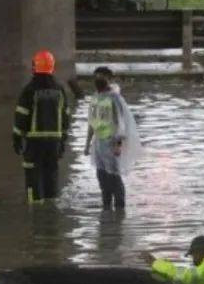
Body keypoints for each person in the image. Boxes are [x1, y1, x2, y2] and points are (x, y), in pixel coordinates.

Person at [13, 50, 71, 205]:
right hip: (54, 143)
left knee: (33, 177)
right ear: (52, 67)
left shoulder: (29, 90)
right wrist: (62, 141)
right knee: (51, 176)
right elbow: (66, 118)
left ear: (35, 67)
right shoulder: (60, 90)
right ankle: (51, 211)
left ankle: (35, 212)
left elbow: (21, 117)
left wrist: (17, 139)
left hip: (34, 143)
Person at [83, 70, 139, 210]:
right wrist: (87, 144)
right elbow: (91, 122)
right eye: (96, 77)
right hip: (98, 145)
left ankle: (120, 212)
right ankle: (106, 210)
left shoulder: (114, 98)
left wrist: (118, 145)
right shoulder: (95, 98)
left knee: (114, 178)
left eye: (101, 77)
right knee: (102, 179)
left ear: (108, 80)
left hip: (111, 143)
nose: (98, 79)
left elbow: (121, 123)